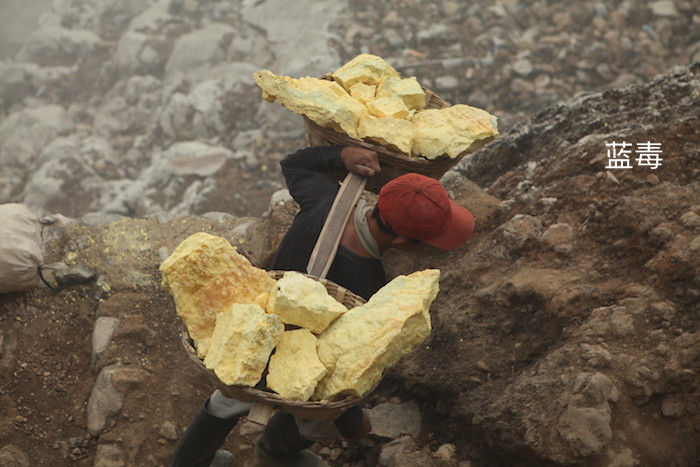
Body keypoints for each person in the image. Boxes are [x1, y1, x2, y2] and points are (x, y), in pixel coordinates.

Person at [171, 145, 475, 466]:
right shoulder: (368, 287)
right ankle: (274, 450)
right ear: (400, 242)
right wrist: (351, 422)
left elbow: (293, 164)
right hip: (304, 367)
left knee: (224, 402)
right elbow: (344, 362)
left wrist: (341, 155)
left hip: (251, 337)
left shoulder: (326, 200)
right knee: (316, 416)